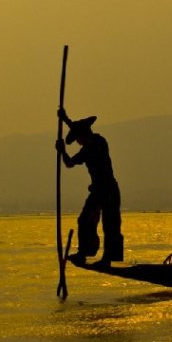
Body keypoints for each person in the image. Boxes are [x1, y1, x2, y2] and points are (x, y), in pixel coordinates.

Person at [57, 108, 123, 267]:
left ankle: (107, 258)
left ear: (84, 135)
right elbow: (69, 163)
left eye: (78, 139)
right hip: (98, 191)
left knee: (110, 224)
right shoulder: (85, 151)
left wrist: (66, 120)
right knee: (85, 219)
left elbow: (81, 137)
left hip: (109, 190)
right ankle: (85, 251)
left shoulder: (99, 142)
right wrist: (62, 151)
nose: (78, 142)